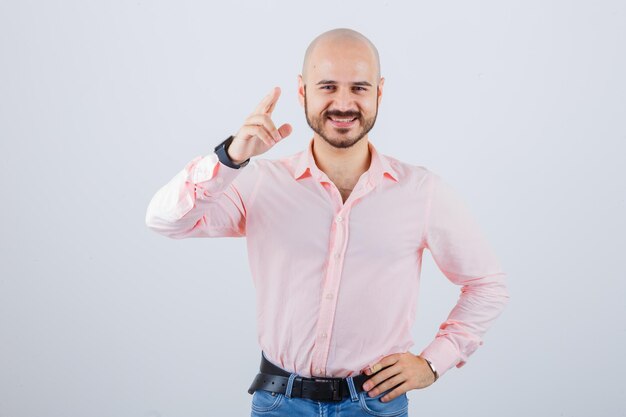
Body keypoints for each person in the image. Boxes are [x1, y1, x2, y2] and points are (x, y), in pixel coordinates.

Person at [145, 27, 510, 417]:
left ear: (379, 93)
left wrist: (434, 362)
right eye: (328, 86)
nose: (343, 103)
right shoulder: (258, 183)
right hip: (279, 403)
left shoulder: (422, 192)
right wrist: (229, 158)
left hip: (375, 405)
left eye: (359, 88)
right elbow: (166, 221)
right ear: (302, 92)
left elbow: (487, 285)